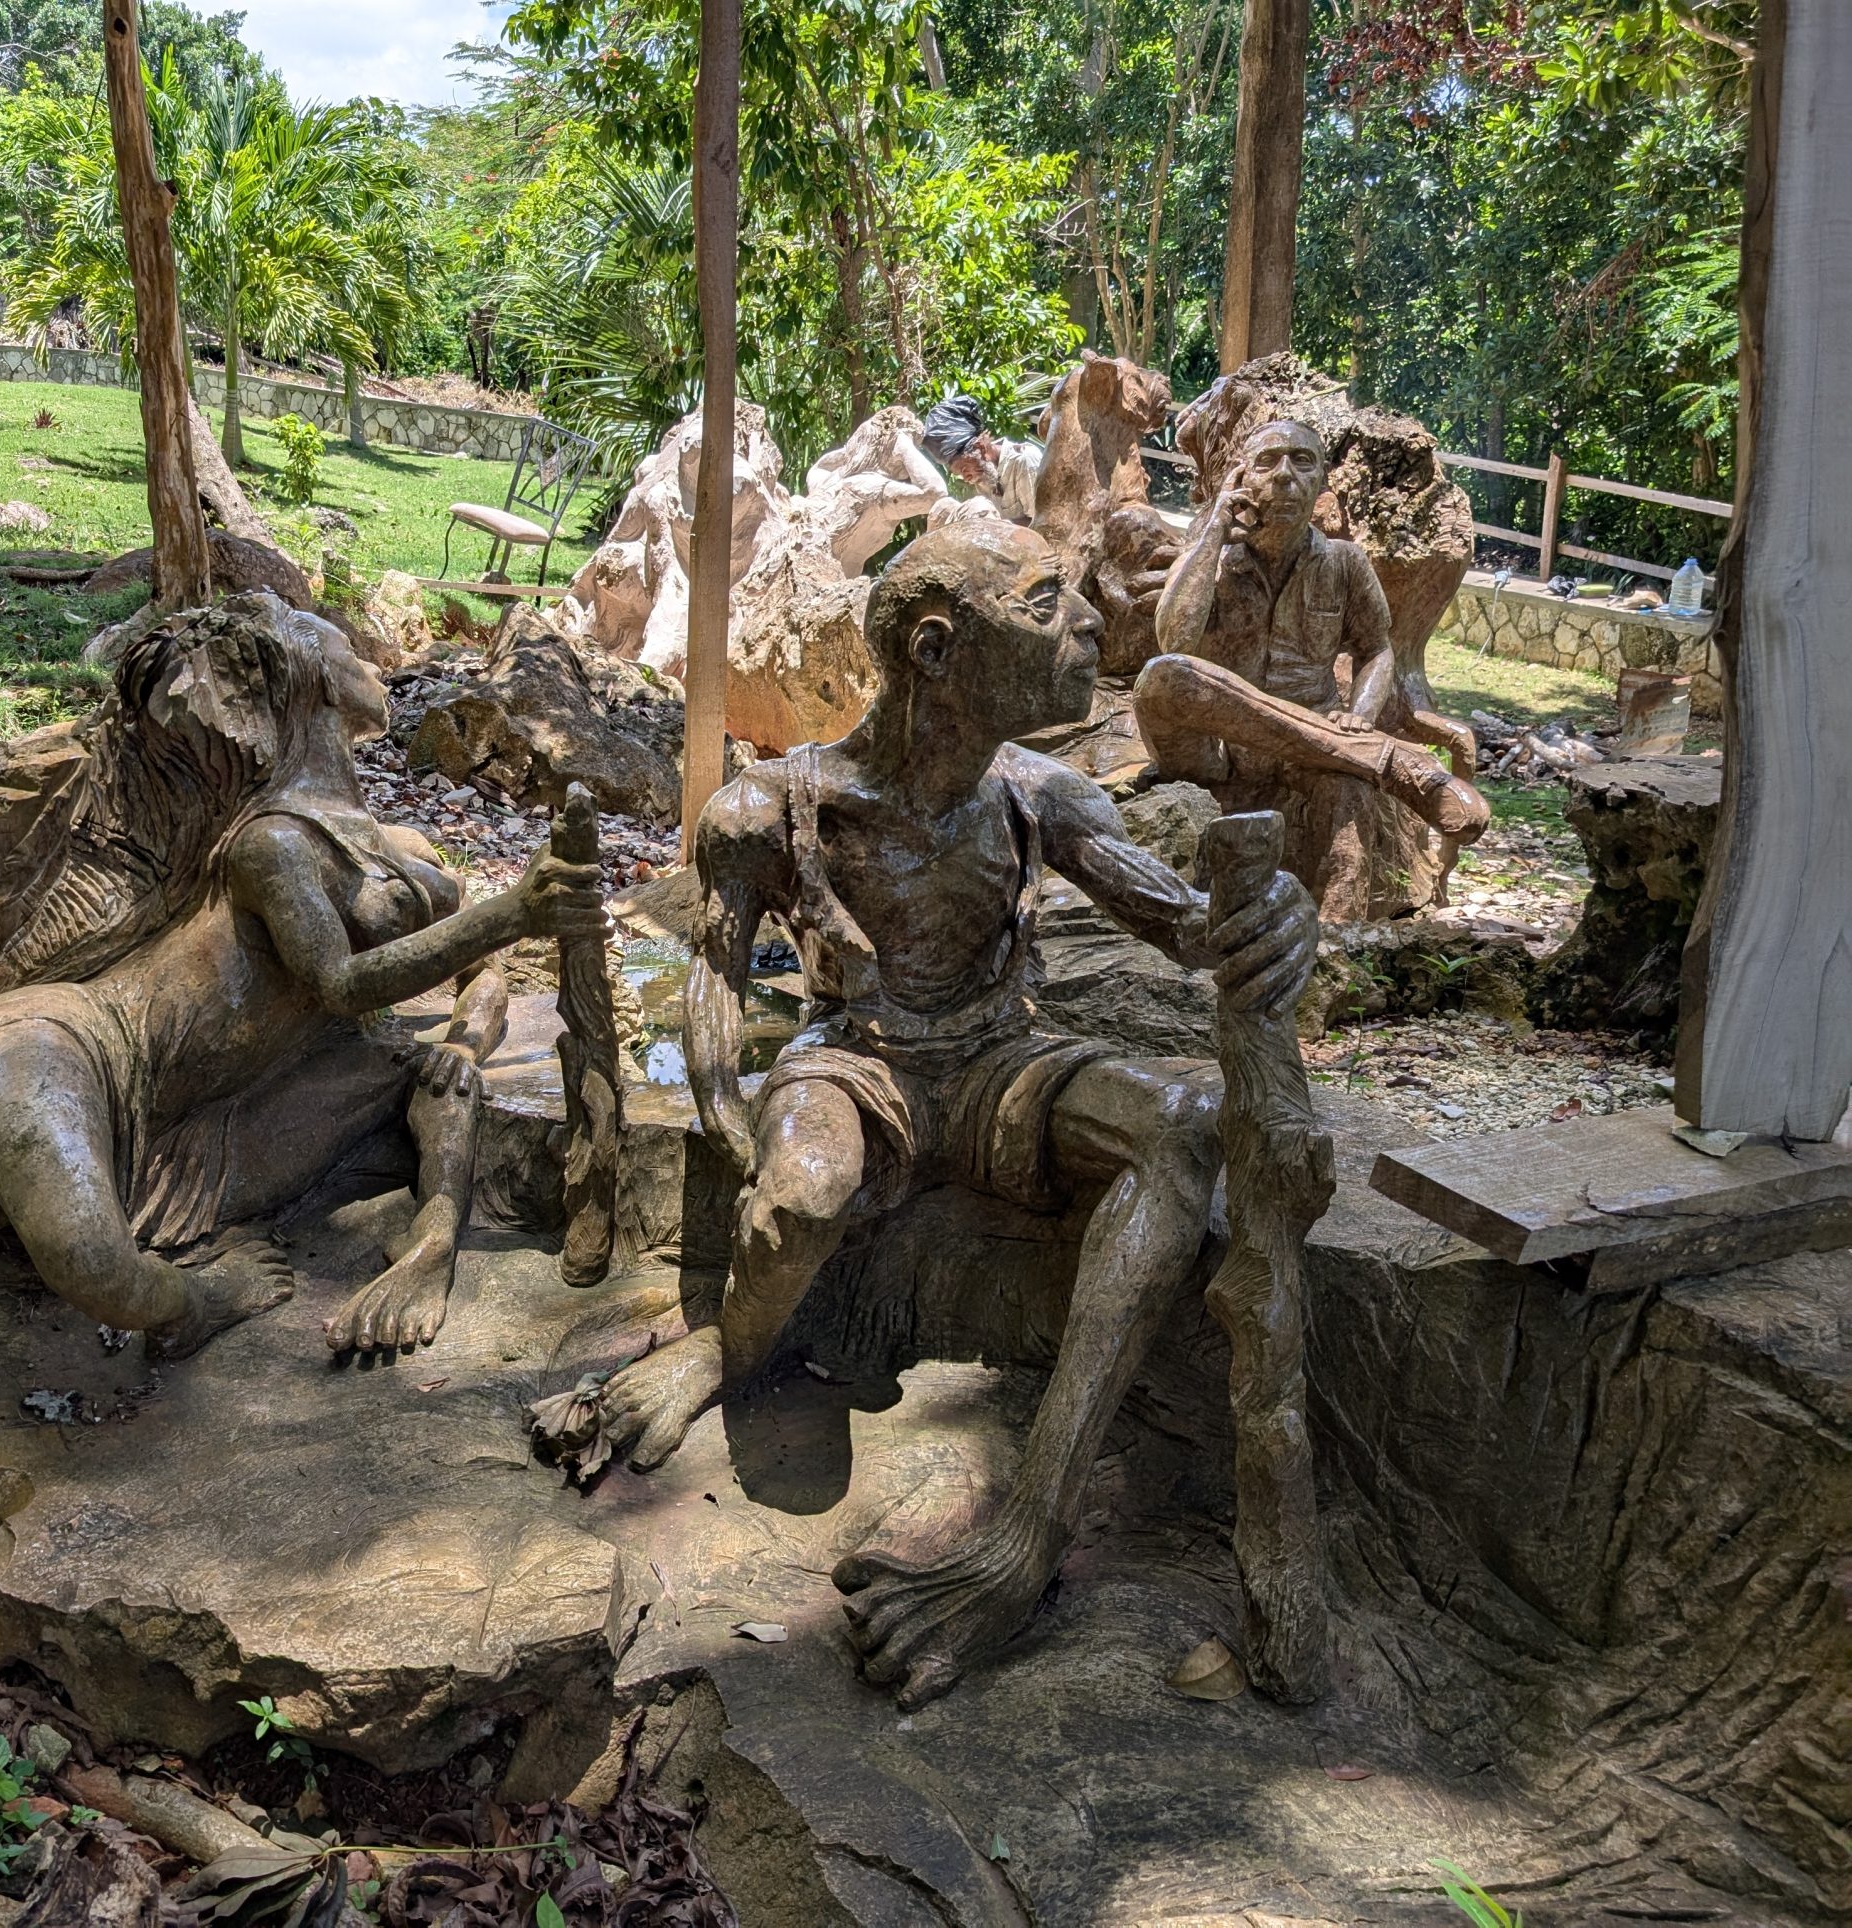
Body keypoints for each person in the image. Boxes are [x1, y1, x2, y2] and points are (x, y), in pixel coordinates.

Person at [592, 520, 1317, 1710]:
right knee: (802, 1200)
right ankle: (729, 1346)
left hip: (997, 1063)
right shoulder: (769, 807)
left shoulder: (1044, 793)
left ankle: (1023, 1533)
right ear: (936, 648)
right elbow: (715, 993)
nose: (1087, 625)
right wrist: (741, 1136)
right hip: (858, 1063)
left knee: (1185, 1115)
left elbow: (1184, 922)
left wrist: (1264, 919)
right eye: (1046, 606)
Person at [0, 595, 604, 1358]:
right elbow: (340, 983)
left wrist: (466, 1043)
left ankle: (417, 1247)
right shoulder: (271, 844)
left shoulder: (393, 842)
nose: (370, 662)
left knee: (419, 1084)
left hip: (200, 1117)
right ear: (311, 681)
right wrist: (513, 911)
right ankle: (194, 1302)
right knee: (94, 1268)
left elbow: (483, 968)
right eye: (348, 648)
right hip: (64, 1046)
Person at [1135, 419, 1487, 917]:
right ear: (1242, 480)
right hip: (1217, 749)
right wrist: (1214, 529)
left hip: (1313, 748)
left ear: (1322, 481)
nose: (1284, 476)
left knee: (1348, 798)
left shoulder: (1344, 561)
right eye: (1267, 461)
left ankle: (1336, 942)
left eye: (1302, 462)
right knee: (1164, 676)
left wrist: (1361, 713)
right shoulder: (1209, 554)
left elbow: (1377, 650)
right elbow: (1173, 642)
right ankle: (1384, 760)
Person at [918, 392, 1038, 523]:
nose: (966, 478)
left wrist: (994, 527)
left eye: (964, 469)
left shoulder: (1024, 461)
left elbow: (1042, 525)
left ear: (980, 447)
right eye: (960, 474)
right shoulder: (984, 475)